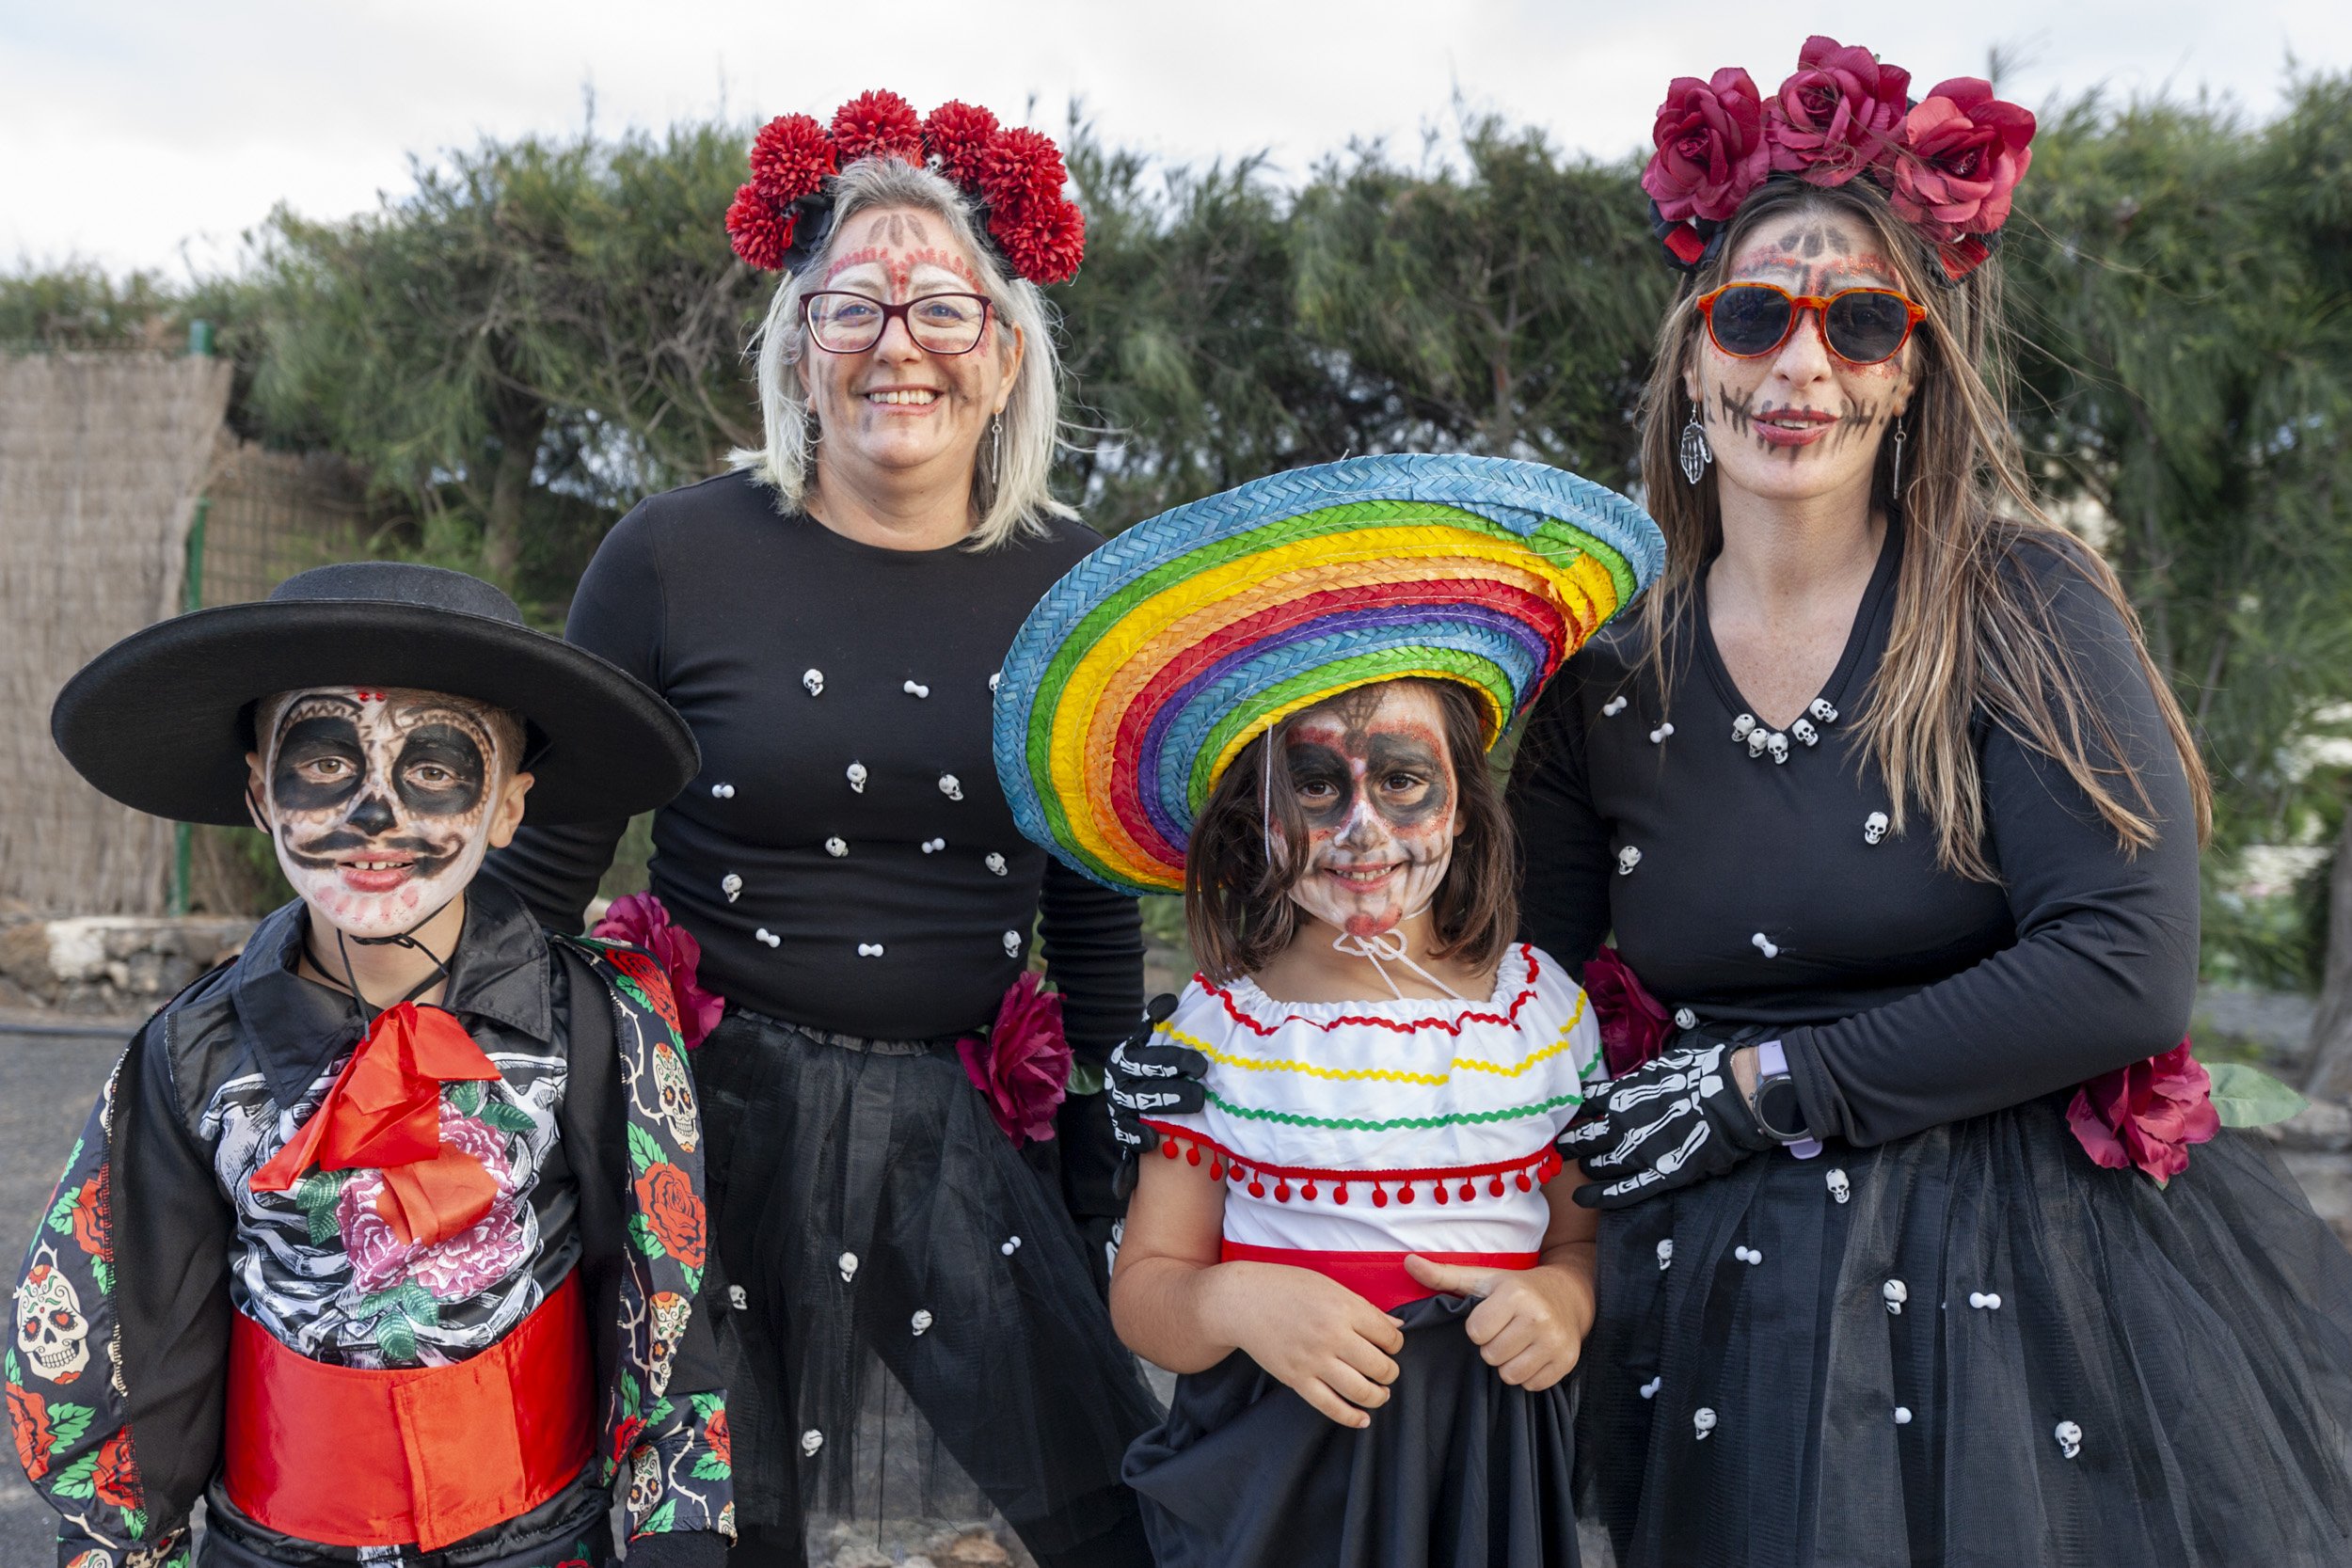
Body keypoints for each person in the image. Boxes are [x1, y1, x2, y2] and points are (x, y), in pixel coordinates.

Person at [1518, 38, 2352, 1565]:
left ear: (1912, 368)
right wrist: (1267, 1067)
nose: (1802, 366)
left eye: (1858, 324)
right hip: (1698, 1284)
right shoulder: (1601, 668)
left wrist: (1762, 1087)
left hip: (2014, 1276)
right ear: (1699, 350)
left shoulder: (2015, 602)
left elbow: (2123, 960)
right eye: (1758, 315)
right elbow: (1520, 994)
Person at [483, 89, 1160, 1568]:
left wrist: (1105, 1180)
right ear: (796, 342)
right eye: (853, 304)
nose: (897, 342)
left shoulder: (1079, 580)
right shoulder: (667, 555)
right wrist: (463, 1112)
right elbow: (545, 869)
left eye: (941, 307)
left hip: (975, 1156)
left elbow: (1097, 912)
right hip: (706, 1141)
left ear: (1004, 355)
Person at [991, 452, 1667, 1566]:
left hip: (1477, 1472)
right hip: (1277, 1483)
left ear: (1465, 795)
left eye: (1402, 779)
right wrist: (1239, 1304)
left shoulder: (1544, 1018)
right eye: (1314, 785)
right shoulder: (1218, 1035)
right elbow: (1146, 1290)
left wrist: (1561, 1298)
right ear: (1253, 813)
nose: (1360, 828)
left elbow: (1580, 1236)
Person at [18, 561, 728, 1568]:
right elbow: (132, 1330)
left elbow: (667, 1291)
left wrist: (678, 1528)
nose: (376, 813)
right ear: (262, 790)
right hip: (274, 1544)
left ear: (510, 807)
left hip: (536, 1542)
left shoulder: (594, 1024)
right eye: (325, 762)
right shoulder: (190, 1052)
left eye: (435, 768)